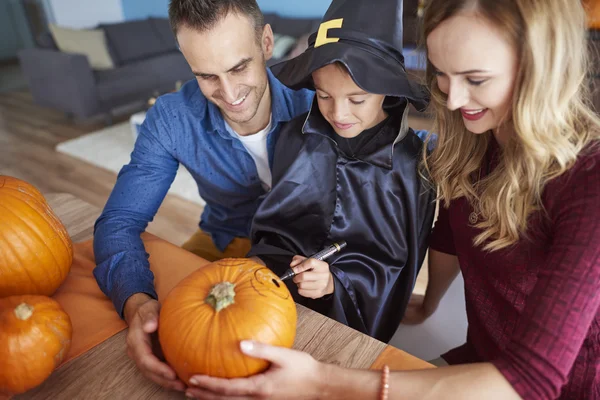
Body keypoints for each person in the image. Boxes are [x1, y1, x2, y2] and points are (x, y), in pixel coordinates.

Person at [184, 0, 600, 399]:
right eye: (442, 74)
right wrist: (428, 303)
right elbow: (449, 237)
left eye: (475, 79)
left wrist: (325, 382)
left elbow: (532, 380)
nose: (452, 101)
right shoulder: (476, 147)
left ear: (541, 67)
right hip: (475, 363)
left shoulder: (589, 185)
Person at [92, 0, 313, 392]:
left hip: (307, 253)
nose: (228, 93)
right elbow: (120, 223)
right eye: (207, 76)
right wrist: (137, 303)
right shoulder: (172, 118)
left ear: (266, 43)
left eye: (238, 67)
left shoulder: (318, 98)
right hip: (223, 240)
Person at [246, 0, 436, 343]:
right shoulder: (295, 138)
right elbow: (272, 228)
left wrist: (338, 281)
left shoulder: (411, 168)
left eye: (358, 99)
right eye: (323, 95)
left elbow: (397, 267)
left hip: (344, 331)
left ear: (387, 90)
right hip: (276, 306)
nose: (339, 113)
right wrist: (277, 261)